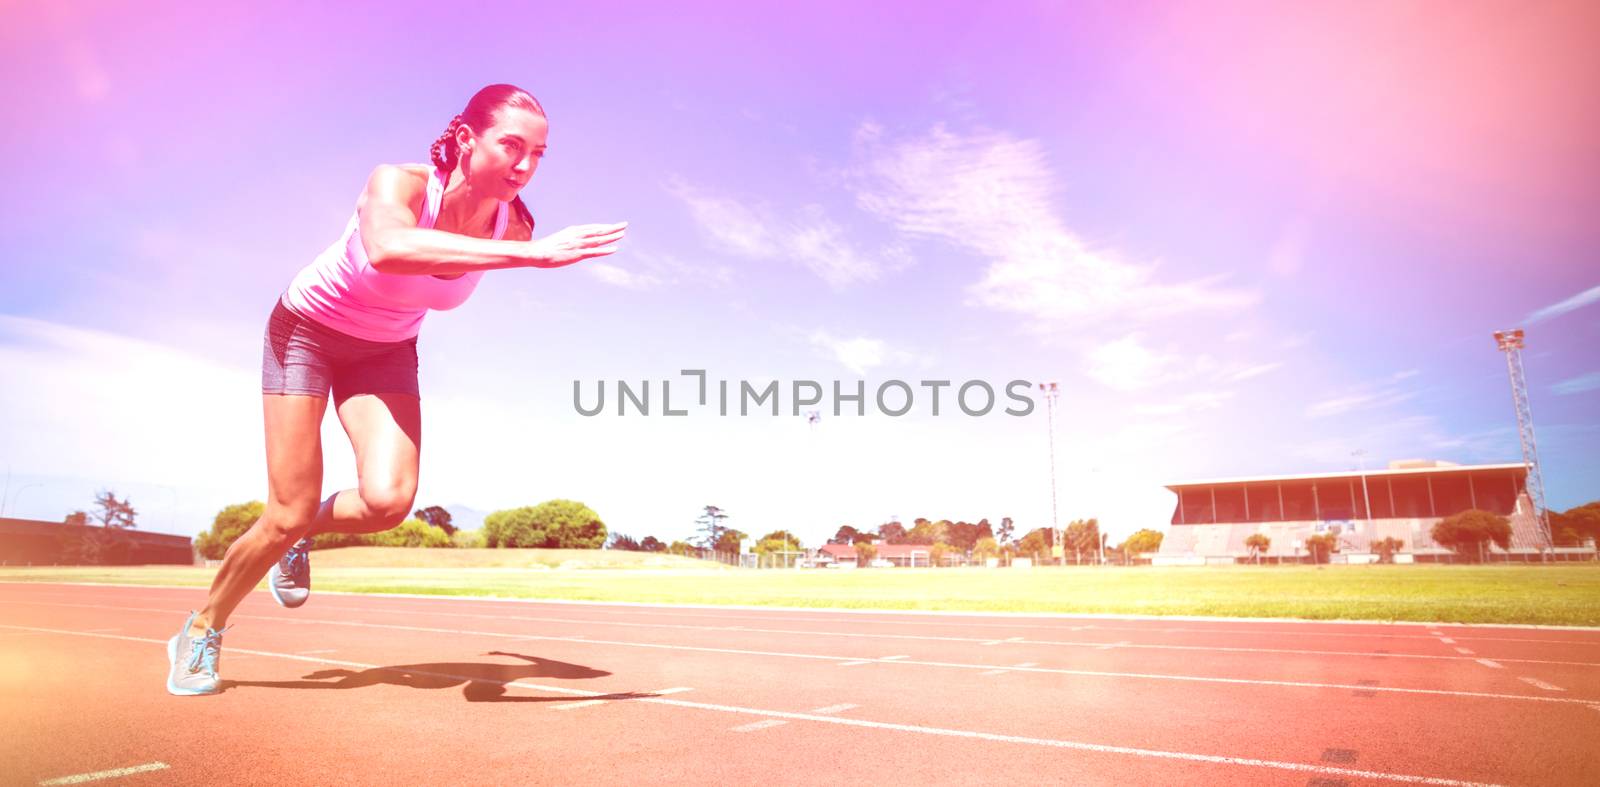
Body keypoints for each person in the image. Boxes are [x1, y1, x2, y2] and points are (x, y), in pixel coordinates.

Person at [167, 83, 626, 695]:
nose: (525, 165)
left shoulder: (514, 225)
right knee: (287, 510)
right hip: (306, 332)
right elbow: (387, 249)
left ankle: (299, 536)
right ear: (467, 138)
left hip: (385, 350)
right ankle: (202, 628)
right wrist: (533, 258)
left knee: (388, 502)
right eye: (511, 145)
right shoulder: (401, 184)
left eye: (538, 153)